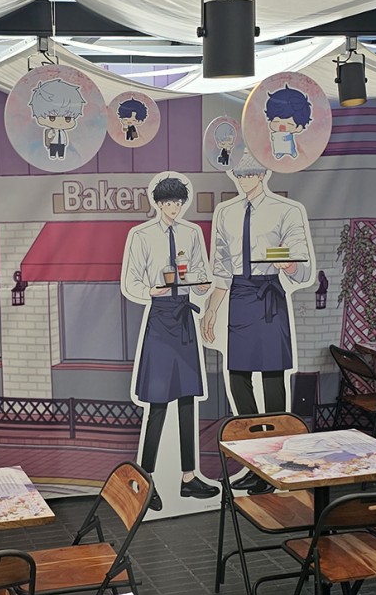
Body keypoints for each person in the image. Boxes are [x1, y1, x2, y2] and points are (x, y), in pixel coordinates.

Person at [122, 174, 218, 510]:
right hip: (161, 319)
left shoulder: (192, 233)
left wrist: (203, 285)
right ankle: (146, 481)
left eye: (178, 202)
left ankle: (188, 478)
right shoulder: (142, 235)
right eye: (168, 202)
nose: (174, 208)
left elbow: (201, 273)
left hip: (184, 317)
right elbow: (130, 282)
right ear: (158, 203)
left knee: (188, 399)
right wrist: (150, 290)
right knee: (159, 402)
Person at [202, 150, 314, 417]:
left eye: (250, 173)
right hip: (240, 294)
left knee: (272, 374)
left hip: (269, 295)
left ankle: (275, 435)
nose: (244, 179)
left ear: (263, 174)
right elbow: (222, 269)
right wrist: (211, 309)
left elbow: (303, 267)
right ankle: (249, 433)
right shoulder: (226, 213)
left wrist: (289, 265)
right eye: (240, 174)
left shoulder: (286, 211)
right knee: (237, 374)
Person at [29, 75, 85, 159]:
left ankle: (61, 155)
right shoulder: (50, 131)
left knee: (61, 149)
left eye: (67, 118)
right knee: (53, 150)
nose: (60, 122)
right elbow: (48, 137)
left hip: (61, 144)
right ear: (41, 118)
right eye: (52, 118)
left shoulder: (62, 132)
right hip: (53, 143)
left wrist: (65, 142)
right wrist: (50, 135)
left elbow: (65, 138)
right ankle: (53, 155)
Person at [264, 83, 312, 161]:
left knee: (290, 148)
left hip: (289, 146)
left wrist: (284, 138)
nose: (282, 126)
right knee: (279, 147)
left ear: (299, 127)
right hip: (279, 146)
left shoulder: (290, 134)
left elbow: (289, 138)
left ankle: (293, 153)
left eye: (290, 124)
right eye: (276, 121)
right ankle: (280, 153)